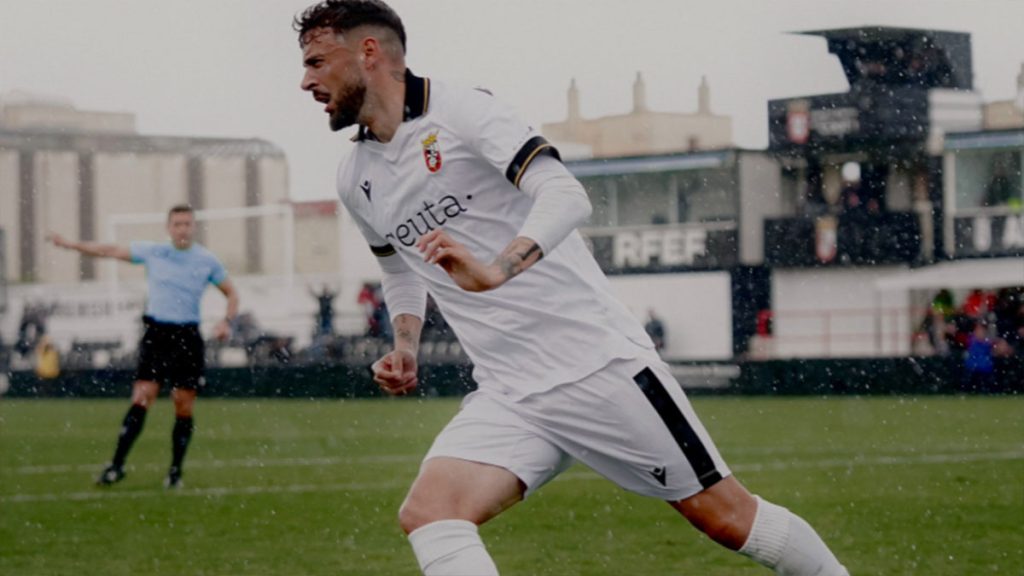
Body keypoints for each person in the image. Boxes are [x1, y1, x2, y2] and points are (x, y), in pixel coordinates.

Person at [296, 2, 848, 574]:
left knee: (729, 517)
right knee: (431, 512)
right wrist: (406, 347)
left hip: (596, 365)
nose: (306, 80)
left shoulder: (461, 109)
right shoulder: (355, 176)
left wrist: (497, 269)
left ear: (368, 52)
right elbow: (399, 270)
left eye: (316, 61)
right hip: (510, 391)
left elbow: (565, 194)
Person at [48, 204, 239, 488]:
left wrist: (226, 321)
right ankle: (116, 465)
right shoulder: (154, 252)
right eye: (177, 224)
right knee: (141, 397)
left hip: (187, 336)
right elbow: (110, 250)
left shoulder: (206, 260)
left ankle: (175, 472)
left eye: (187, 223)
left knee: (182, 405)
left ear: (194, 227)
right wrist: (71, 245)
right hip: (157, 334)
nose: (182, 229)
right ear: (168, 228)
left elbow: (231, 293)